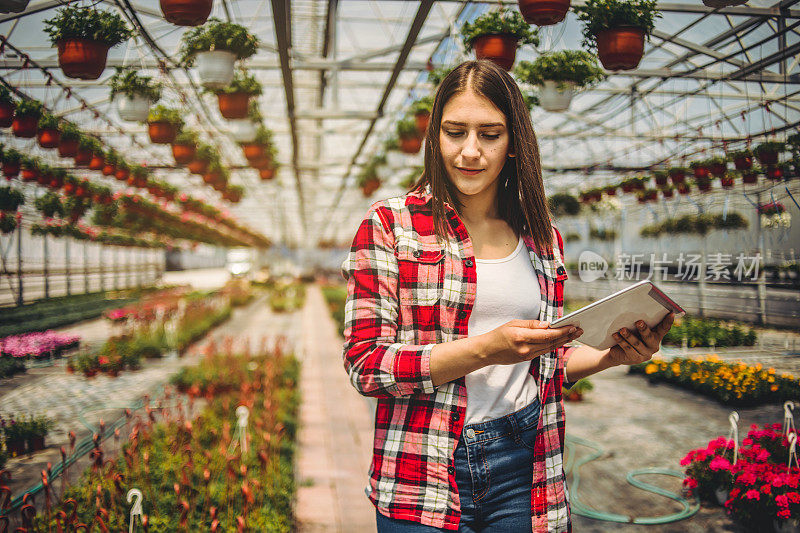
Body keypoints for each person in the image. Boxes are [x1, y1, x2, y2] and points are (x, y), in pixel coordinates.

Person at [341, 60, 674, 533]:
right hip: (423, 466)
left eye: (490, 134)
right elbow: (365, 364)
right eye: (455, 132)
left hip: (526, 462)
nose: (470, 151)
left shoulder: (542, 238)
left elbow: (543, 362)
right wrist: (485, 349)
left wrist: (609, 355)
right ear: (435, 136)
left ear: (514, 141)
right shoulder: (391, 226)